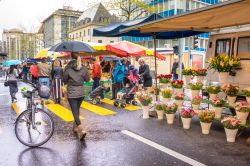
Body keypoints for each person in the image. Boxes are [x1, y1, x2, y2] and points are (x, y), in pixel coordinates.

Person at [63, 53, 90, 140]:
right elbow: (87, 79)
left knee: (75, 112)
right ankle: (75, 128)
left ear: (71, 58)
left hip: (72, 93)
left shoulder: (68, 68)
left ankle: (81, 130)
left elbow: (64, 80)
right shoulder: (84, 68)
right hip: (81, 93)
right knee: (77, 110)